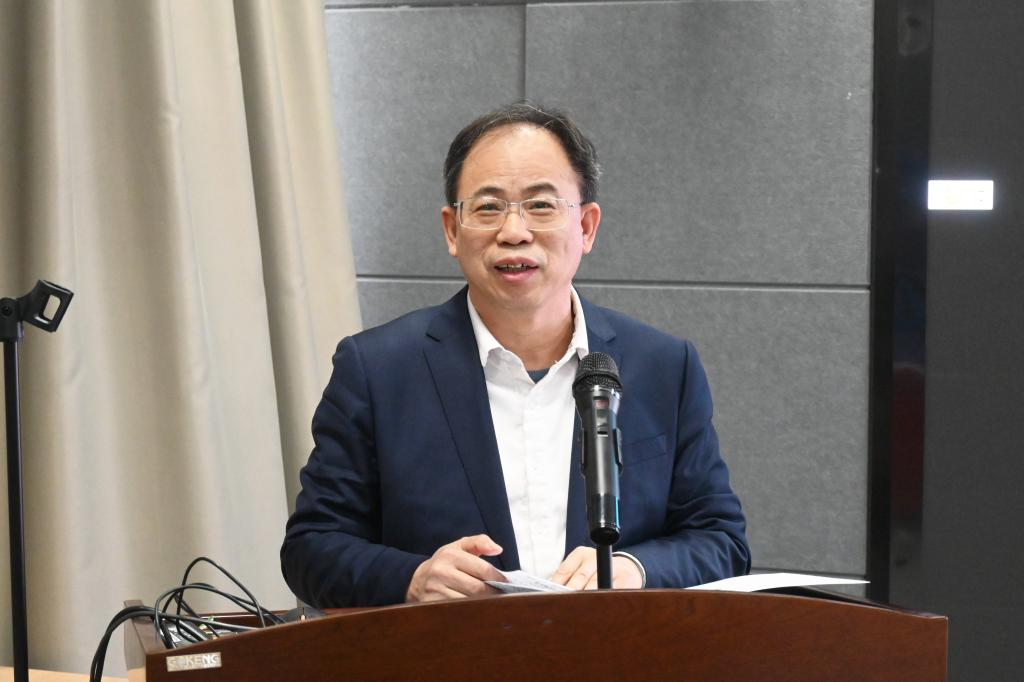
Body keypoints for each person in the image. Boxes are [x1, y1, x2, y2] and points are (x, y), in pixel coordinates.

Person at [281, 102, 749, 607]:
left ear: (586, 227)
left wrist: (634, 568)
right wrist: (412, 578)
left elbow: (720, 540)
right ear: (452, 230)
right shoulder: (377, 369)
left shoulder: (663, 366)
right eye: (488, 207)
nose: (513, 232)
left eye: (541, 205)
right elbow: (312, 548)